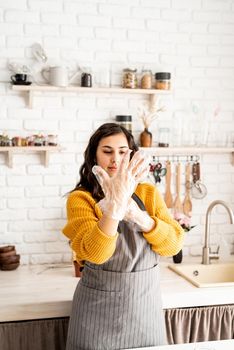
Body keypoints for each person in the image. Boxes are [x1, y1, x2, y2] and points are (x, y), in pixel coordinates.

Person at [62, 122, 184, 350]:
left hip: (144, 312)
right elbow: (96, 254)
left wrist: (139, 217)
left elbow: (173, 245)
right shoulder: (81, 199)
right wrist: (115, 208)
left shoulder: (148, 194)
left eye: (122, 152)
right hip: (96, 316)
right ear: (94, 156)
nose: (115, 159)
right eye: (107, 151)